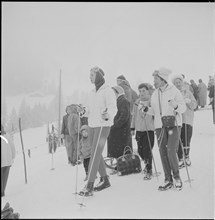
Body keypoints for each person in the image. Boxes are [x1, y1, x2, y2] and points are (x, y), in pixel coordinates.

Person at [78, 66, 117, 197]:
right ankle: (105, 179)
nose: (90, 78)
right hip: (93, 125)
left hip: (103, 125)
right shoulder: (92, 92)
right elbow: (88, 109)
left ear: (99, 76)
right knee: (97, 153)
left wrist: (108, 114)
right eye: (89, 76)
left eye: (92, 75)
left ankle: (89, 185)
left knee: (94, 153)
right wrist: (83, 111)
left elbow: (113, 108)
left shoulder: (108, 91)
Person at [145, 68, 186, 191]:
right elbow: (155, 111)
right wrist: (147, 110)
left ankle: (177, 177)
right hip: (159, 126)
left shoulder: (174, 91)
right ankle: (168, 179)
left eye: (156, 79)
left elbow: (183, 108)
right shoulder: (154, 93)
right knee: (163, 152)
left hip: (173, 124)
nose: (154, 81)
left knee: (171, 150)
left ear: (162, 79)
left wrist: (176, 106)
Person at [172, 74, 197, 168]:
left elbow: (195, 105)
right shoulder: (173, 94)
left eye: (179, 82)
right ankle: (180, 158)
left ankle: (186, 156)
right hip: (177, 120)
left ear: (182, 82)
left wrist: (189, 101)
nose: (178, 84)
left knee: (187, 138)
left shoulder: (188, 92)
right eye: (176, 83)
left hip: (187, 119)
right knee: (178, 140)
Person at [131, 83, 155, 180]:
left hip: (149, 129)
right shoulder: (137, 102)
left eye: (143, 91)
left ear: (148, 91)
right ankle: (146, 163)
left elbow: (155, 113)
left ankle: (149, 169)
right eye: (140, 91)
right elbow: (134, 116)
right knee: (140, 150)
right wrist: (132, 128)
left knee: (147, 149)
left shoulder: (152, 101)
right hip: (139, 129)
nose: (141, 93)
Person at [107, 85, 131, 174]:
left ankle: (122, 166)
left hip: (121, 130)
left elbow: (124, 115)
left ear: (117, 92)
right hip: (117, 130)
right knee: (117, 149)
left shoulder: (123, 101)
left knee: (121, 149)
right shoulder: (118, 100)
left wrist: (115, 125)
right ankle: (119, 165)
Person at [1, 125, 16, 197]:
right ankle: (2, 191)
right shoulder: (7, 135)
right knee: (5, 177)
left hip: (3, 161)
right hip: (7, 161)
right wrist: (13, 156)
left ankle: (2, 191)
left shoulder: (6, 136)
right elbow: (12, 146)